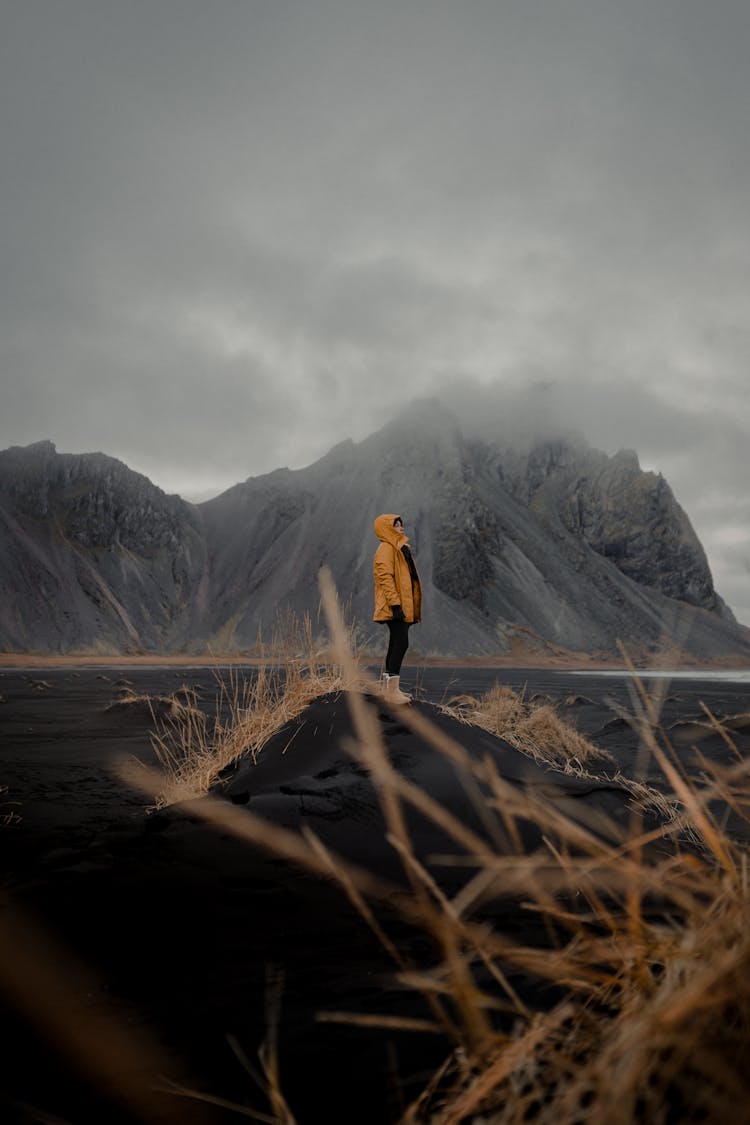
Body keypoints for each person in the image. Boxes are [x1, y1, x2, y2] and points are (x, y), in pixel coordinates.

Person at [372, 513, 422, 704]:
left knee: (396, 642)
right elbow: (384, 576)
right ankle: (391, 692)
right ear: (387, 529)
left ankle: (389, 689)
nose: (401, 528)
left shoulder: (400, 548)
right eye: (396, 525)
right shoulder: (386, 548)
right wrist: (395, 605)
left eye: (401, 524)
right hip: (396, 607)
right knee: (401, 643)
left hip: (402, 605)